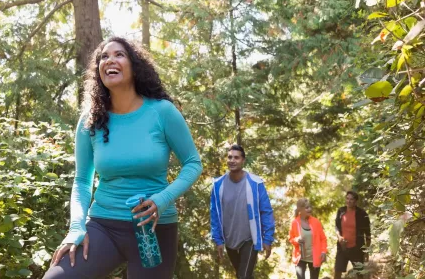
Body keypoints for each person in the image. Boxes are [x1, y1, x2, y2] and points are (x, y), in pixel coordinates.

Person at [43, 37, 203, 279]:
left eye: (119, 54)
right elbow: (82, 182)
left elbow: (193, 163)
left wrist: (162, 199)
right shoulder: (91, 120)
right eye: (103, 57)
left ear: (134, 65)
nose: (110, 60)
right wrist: (77, 227)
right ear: (98, 72)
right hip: (104, 225)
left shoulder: (162, 112)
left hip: (154, 229)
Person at [210, 144, 275, 279]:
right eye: (229, 157)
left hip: (249, 238)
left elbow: (266, 211)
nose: (232, 160)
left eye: (236, 158)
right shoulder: (218, 185)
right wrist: (218, 240)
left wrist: (267, 238)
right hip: (229, 239)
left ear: (243, 160)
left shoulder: (255, 183)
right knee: (244, 275)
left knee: (243, 276)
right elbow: (215, 214)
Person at [334, 191, 371, 279]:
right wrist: (339, 237)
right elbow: (336, 227)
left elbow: (368, 234)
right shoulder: (341, 211)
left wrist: (366, 251)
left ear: (356, 201)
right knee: (337, 271)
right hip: (342, 248)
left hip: (357, 249)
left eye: (351, 199)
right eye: (347, 198)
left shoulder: (362, 214)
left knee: (359, 274)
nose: (349, 201)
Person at [288, 198, 327, 279]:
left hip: (315, 257)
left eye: (310, 207)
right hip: (300, 258)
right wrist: (296, 240)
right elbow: (291, 238)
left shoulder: (316, 222)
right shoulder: (295, 223)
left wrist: (323, 251)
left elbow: (323, 239)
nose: (309, 209)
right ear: (300, 209)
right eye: (306, 207)